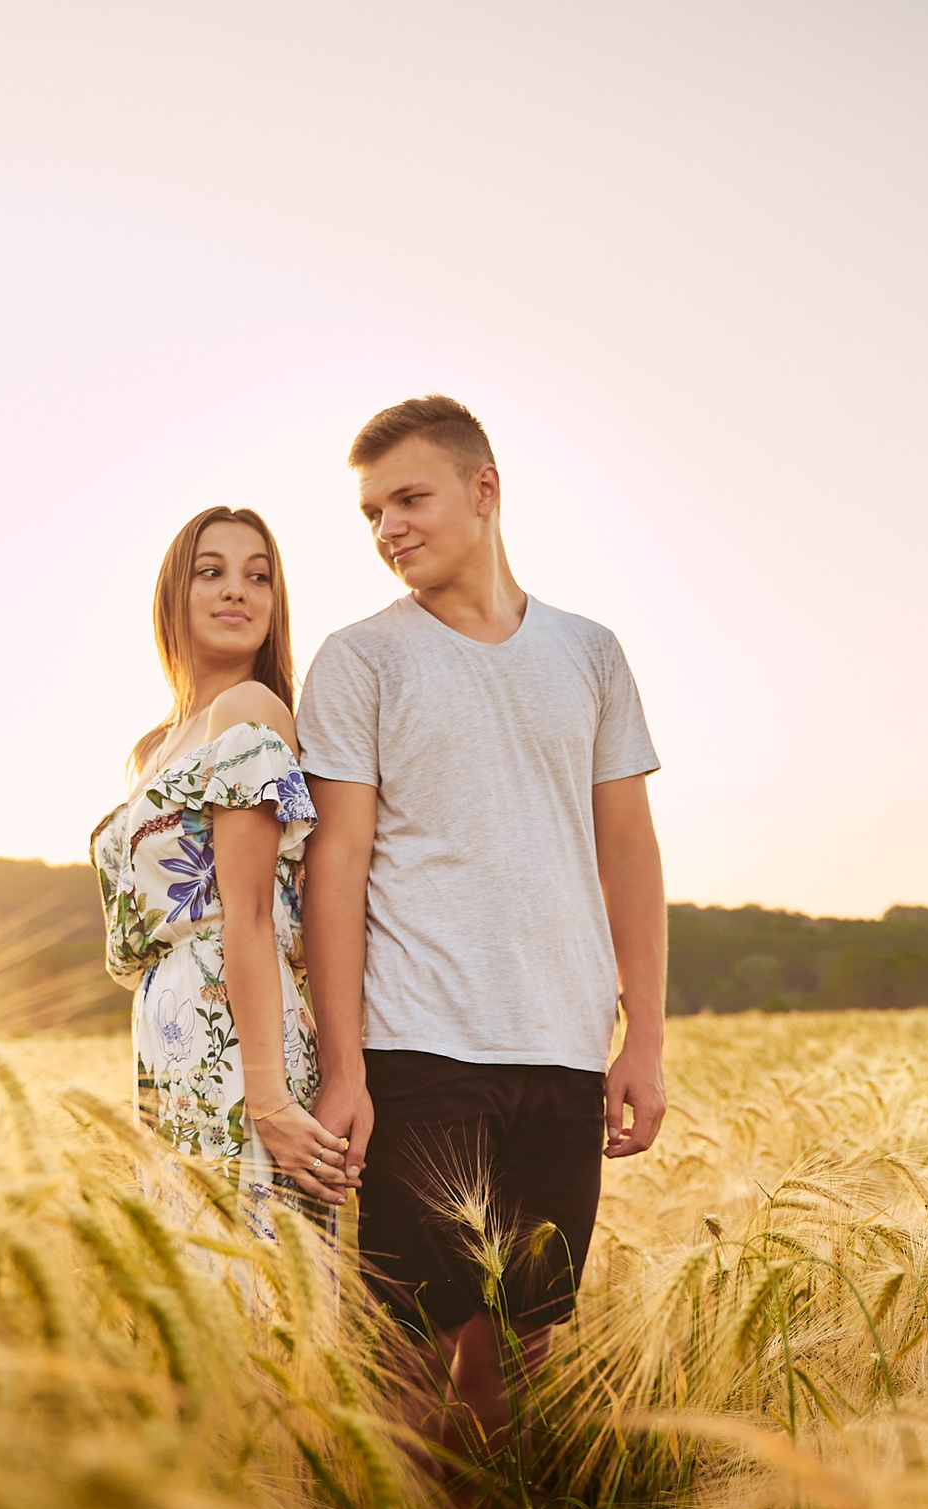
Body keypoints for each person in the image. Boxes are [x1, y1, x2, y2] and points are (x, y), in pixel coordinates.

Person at [296, 396, 667, 1448]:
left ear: (485, 490)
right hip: (417, 1043)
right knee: (408, 1348)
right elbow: (338, 863)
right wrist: (343, 1066)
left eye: (409, 499)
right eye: (371, 512)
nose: (388, 530)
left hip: (560, 1049)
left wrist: (641, 1040)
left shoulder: (588, 653)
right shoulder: (361, 660)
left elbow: (628, 854)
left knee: (524, 1347)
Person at [90, 506, 356, 1239]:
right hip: (168, 1036)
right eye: (212, 571)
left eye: (258, 576)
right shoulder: (156, 746)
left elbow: (252, 914)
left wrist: (267, 1095)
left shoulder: (250, 710)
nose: (237, 590)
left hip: (237, 1037)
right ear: (175, 595)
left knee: (254, 1293)